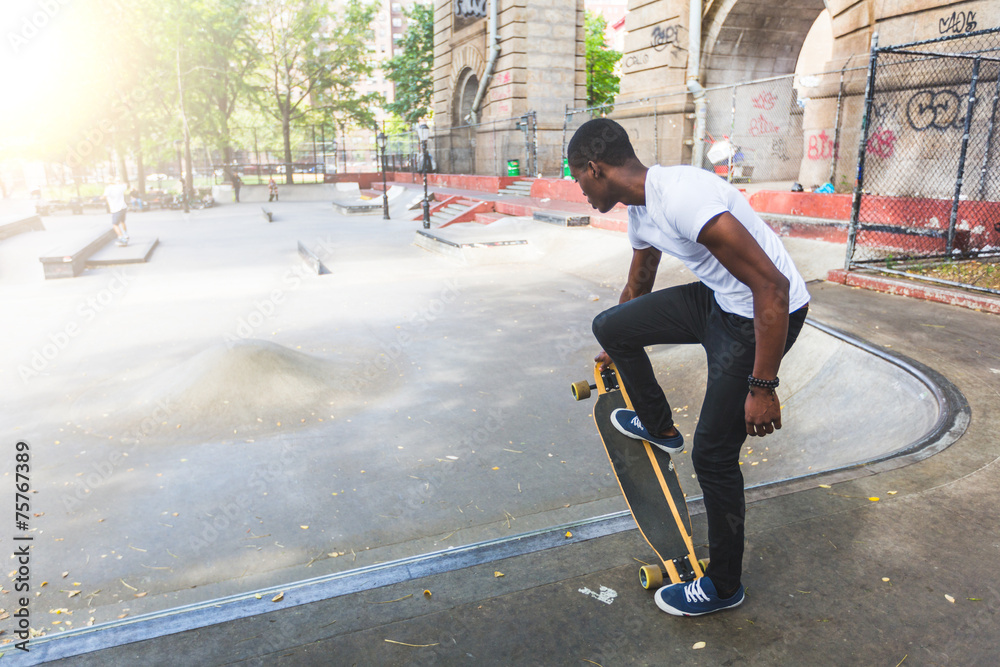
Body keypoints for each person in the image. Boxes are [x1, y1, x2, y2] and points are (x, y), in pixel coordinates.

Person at [568, 118, 810, 617]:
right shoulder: (641, 210)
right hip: (720, 301)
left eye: (579, 180)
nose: (580, 191)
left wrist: (763, 386)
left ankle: (723, 586)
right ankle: (658, 426)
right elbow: (639, 284)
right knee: (610, 323)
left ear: (596, 169)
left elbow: (774, 288)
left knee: (714, 457)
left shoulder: (683, 196)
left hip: (761, 317)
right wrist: (618, 340)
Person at [103, 177, 130, 246]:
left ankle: (122, 238)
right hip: (123, 208)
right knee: (122, 222)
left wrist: (95, 199)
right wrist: (119, 181)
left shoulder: (109, 188)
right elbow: (126, 184)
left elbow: (104, 196)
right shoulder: (120, 187)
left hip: (116, 209)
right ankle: (125, 234)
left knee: (115, 225)